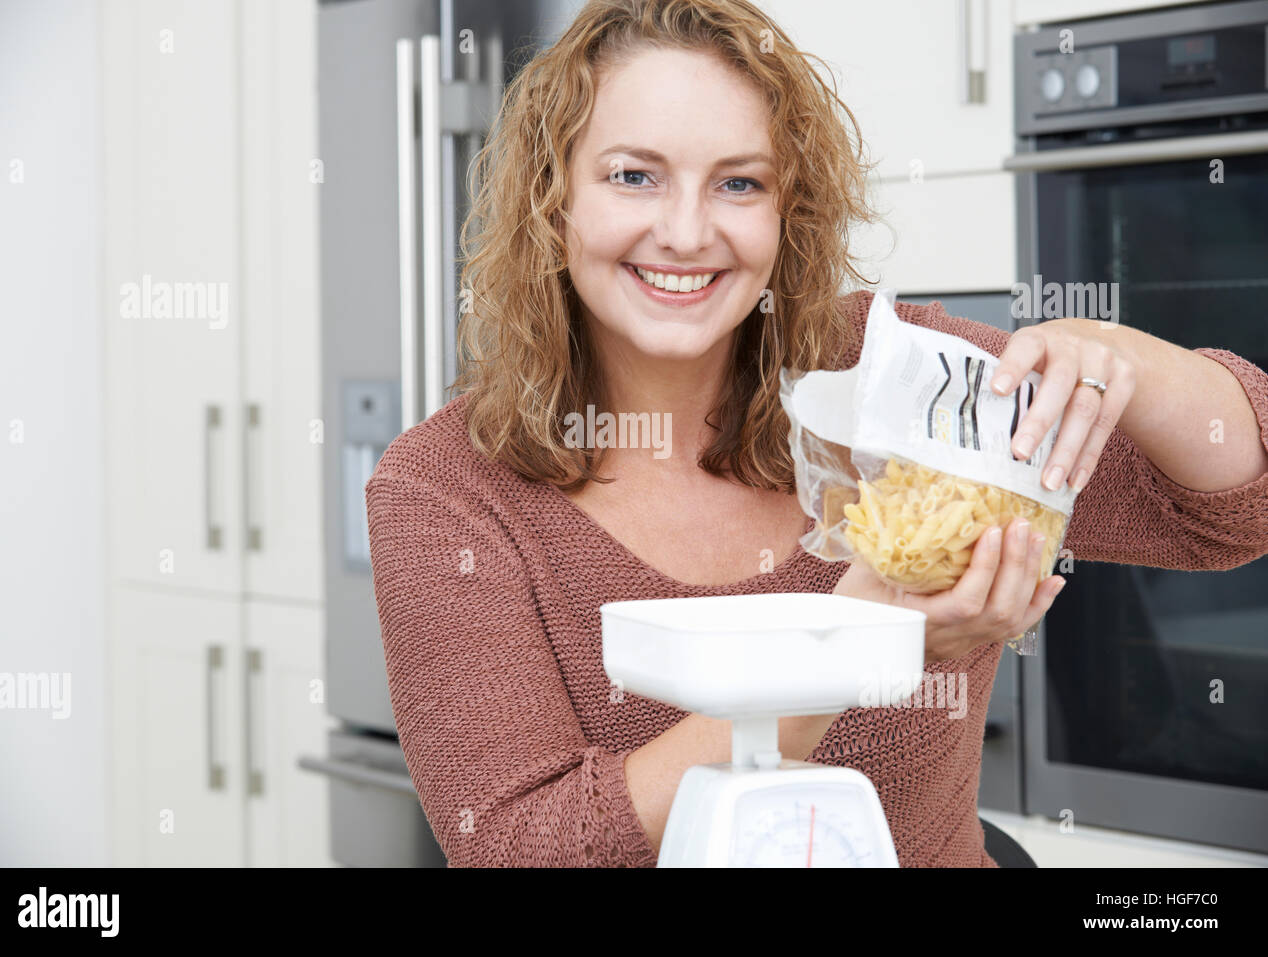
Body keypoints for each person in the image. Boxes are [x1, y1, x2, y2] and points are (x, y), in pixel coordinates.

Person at [365, 0, 1268, 866]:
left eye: (738, 183)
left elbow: (1232, 510)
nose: (686, 232)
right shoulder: (445, 490)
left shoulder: (893, 372)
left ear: (786, 210)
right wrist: (859, 639)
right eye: (633, 175)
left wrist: (1123, 357)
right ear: (550, 199)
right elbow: (523, 848)